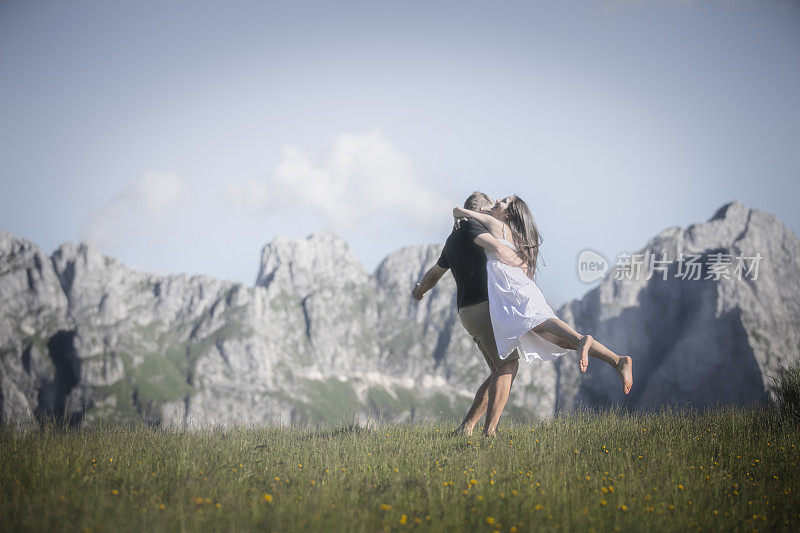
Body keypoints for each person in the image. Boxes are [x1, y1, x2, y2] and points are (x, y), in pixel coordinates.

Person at [451, 195, 633, 395]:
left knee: (543, 323)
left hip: (514, 291)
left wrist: (460, 218)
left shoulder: (494, 223)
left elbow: (460, 211)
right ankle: (616, 360)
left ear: (508, 213)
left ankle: (581, 339)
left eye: (502, 202)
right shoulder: (510, 230)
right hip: (515, 290)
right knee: (558, 340)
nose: (496, 201)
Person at [412, 192, 527, 437]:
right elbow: (499, 243)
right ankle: (489, 432)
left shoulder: (453, 238)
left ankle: (466, 429)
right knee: (509, 365)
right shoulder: (474, 226)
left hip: (466, 312)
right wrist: (520, 264)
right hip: (485, 307)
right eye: (489, 210)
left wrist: (420, 289)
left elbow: (434, 273)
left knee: (499, 369)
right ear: (481, 211)